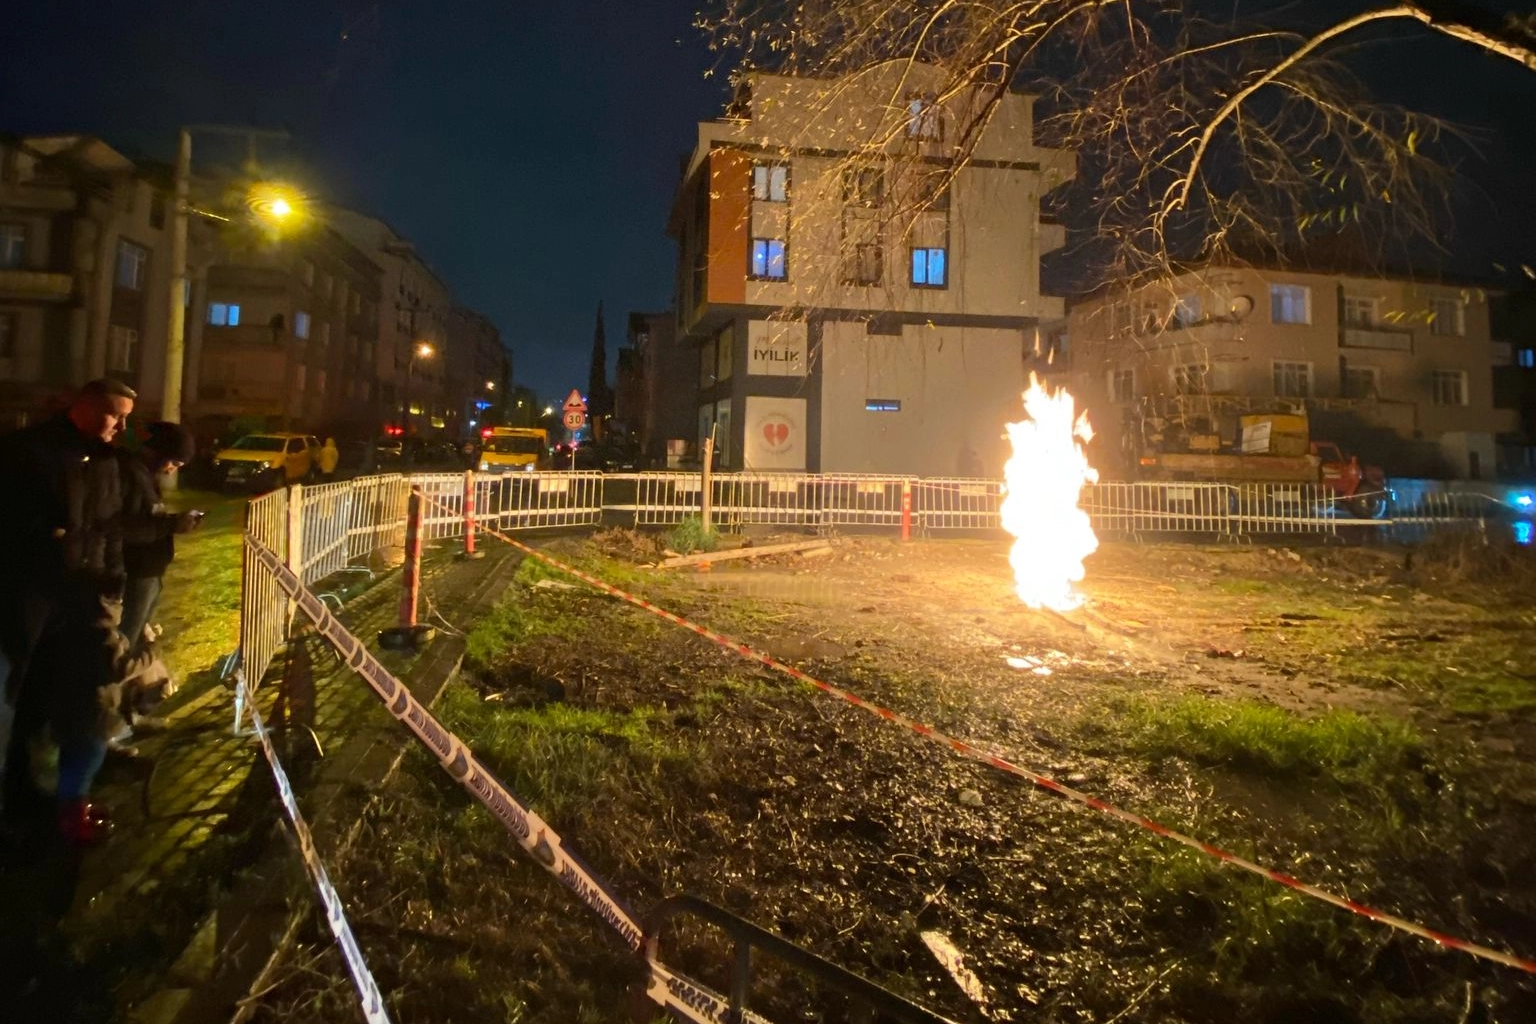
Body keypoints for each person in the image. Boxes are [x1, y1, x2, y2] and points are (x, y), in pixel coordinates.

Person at [0, 379, 134, 842]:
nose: (120, 426)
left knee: (48, 695)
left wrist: (110, 574)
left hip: (79, 594)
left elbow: (108, 525)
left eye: (125, 418)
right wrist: (47, 537)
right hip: (26, 592)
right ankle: (14, 796)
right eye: (114, 414)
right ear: (83, 407)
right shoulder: (30, 450)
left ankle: (32, 791)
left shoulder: (103, 460)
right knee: (13, 691)